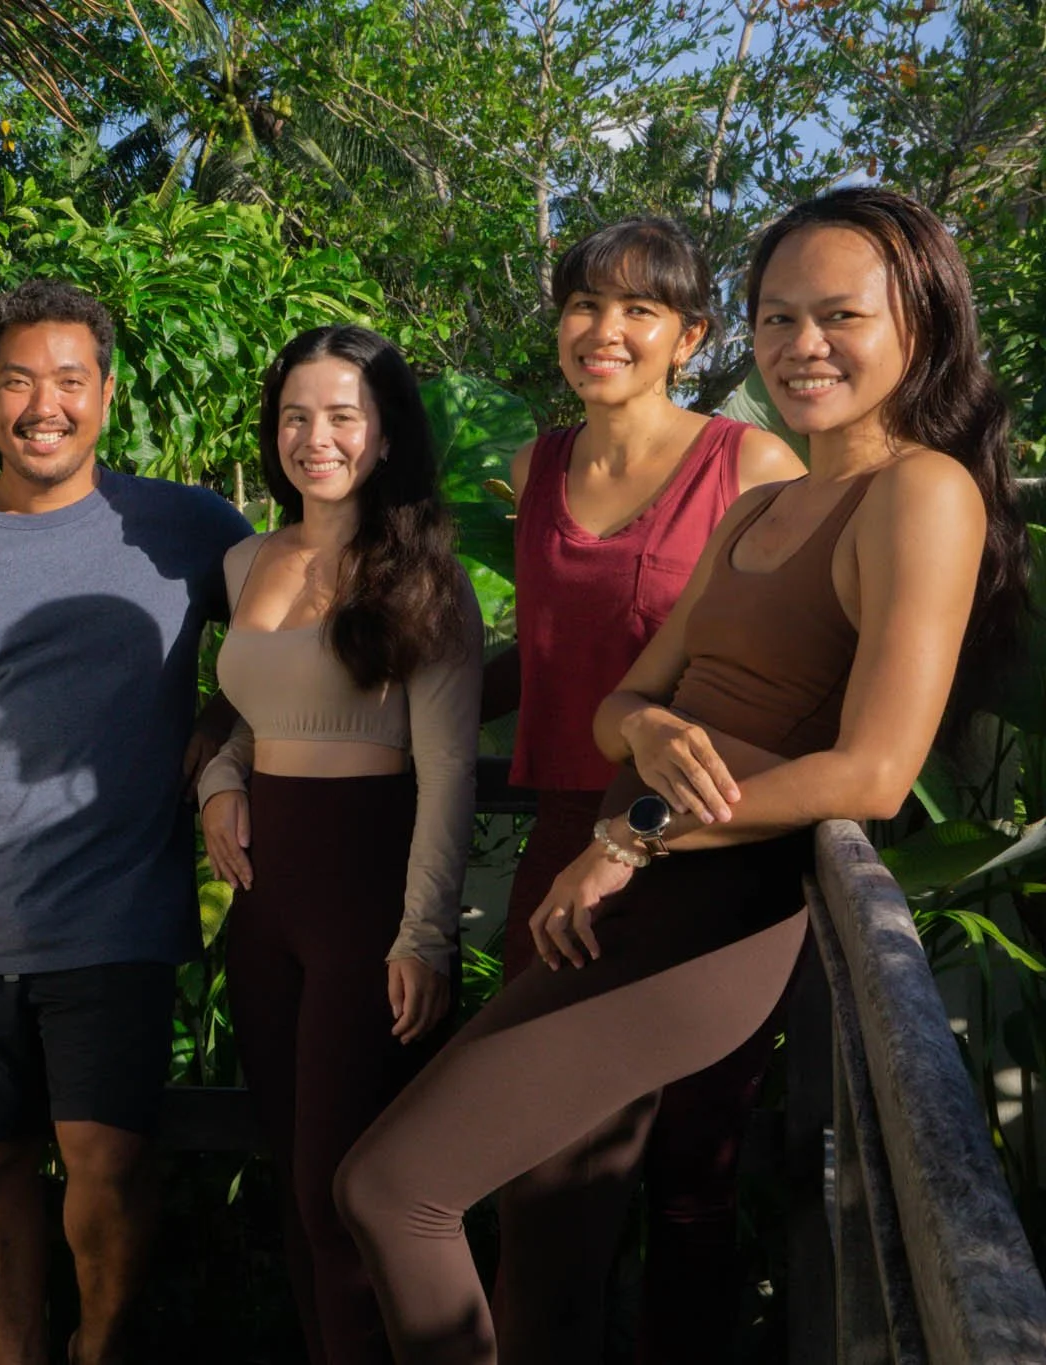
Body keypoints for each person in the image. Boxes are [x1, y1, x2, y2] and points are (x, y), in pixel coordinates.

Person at [335, 186, 1027, 1365]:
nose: (802, 347)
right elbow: (617, 702)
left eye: (839, 317)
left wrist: (627, 841)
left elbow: (866, 771)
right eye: (777, 318)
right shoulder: (763, 504)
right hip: (624, 882)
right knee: (546, 1228)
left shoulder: (920, 491)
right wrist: (647, 739)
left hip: (701, 907)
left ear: (920, 319)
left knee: (391, 1189)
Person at [0, 279, 252, 1365]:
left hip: (118, 912)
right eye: (19, 381)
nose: (45, 404)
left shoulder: (180, 524)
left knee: (108, 1162)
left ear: (106, 394)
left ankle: (96, 1347)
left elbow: (296, 617)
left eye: (69, 381)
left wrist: (224, 724)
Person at [487, 218, 803, 1361]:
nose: (602, 330)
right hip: (560, 834)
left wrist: (647, 829)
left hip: (705, 839)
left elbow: (779, 670)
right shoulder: (530, 468)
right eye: (583, 303)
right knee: (538, 1155)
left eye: (637, 311)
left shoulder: (750, 467)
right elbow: (531, 656)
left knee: (688, 1167)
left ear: (690, 336)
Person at [196, 324, 481, 1365]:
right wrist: (222, 779)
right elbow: (247, 708)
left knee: (341, 1199)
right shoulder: (242, 560)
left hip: (365, 900)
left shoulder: (420, 574)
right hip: (264, 905)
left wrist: (422, 935)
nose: (313, 438)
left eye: (341, 417)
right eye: (293, 417)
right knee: (290, 1184)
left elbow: (447, 768)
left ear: (383, 433)